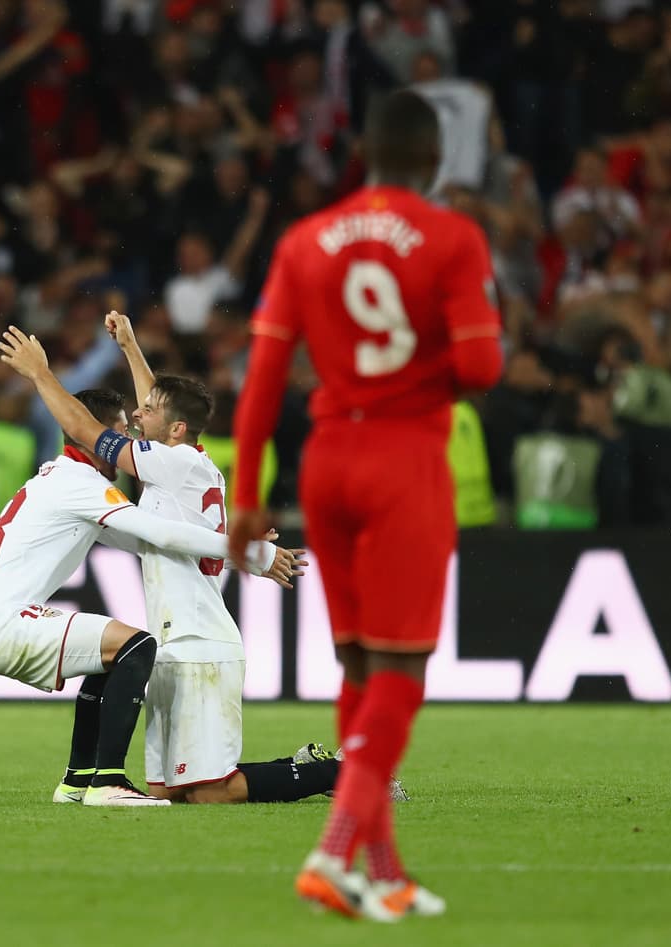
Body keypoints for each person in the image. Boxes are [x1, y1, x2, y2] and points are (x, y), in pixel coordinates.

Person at [230, 90, 504, 920]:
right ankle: (335, 847)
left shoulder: (304, 239)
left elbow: (265, 374)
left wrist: (246, 494)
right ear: (433, 159)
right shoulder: (453, 237)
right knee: (402, 672)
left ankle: (381, 869)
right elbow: (485, 368)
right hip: (404, 457)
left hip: (326, 459)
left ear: (364, 152)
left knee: (356, 668)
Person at [0, 314, 343, 806]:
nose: (138, 415)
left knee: (210, 794)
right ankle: (301, 767)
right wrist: (132, 348)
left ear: (176, 428)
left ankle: (335, 774)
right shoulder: (180, 467)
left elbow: (81, 428)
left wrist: (39, 373)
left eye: (151, 411)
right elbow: (154, 409)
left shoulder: (175, 462)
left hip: (201, 641)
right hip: (171, 642)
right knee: (170, 791)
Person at [0, 375, 286, 807]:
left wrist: (238, 555)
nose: (130, 437)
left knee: (111, 653)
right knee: (137, 646)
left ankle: (78, 780)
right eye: (121, 431)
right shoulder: (83, 484)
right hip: (6, 623)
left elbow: (149, 542)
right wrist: (253, 551)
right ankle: (108, 781)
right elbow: (160, 533)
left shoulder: (64, 478)